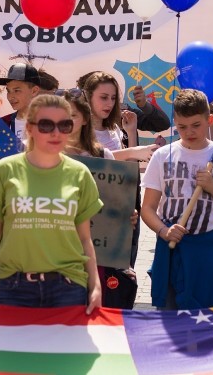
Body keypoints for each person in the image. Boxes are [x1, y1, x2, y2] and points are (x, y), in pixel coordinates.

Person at [0, 94, 103, 313]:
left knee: (63, 349)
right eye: (46, 125)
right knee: (11, 349)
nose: (56, 133)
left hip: (68, 287)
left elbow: (85, 238)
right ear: (30, 128)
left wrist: (94, 284)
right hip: (15, 287)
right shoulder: (5, 170)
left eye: (64, 125)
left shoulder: (81, 174)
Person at [141, 89, 213, 309]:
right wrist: (163, 230)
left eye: (196, 125)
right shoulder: (163, 156)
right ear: (175, 122)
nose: (189, 132)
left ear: (209, 119)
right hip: (173, 250)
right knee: (170, 323)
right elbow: (148, 208)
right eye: (182, 127)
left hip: (210, 252)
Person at [63, 90, 138, 308]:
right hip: (56, 256)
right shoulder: (44, 156)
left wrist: (126, 216)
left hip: (96, 258)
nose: (66, 122)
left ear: (85, 118)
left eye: (73, 115)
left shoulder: (102, 156)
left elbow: (116, 204)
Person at [81, 71, 155, 162]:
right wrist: (131, 152)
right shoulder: (78, 130)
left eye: (113, 98)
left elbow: (129, 168)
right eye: (104, 97)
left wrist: (131, 132)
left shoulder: (114, 129)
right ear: (88, 97)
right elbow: (90, 161)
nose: (110, 104)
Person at [0, 63, 42, 151]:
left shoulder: (49, 123)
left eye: (17, 90)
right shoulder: (2, 124)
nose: (10, 97)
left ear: (34, 91)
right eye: (8, 91)